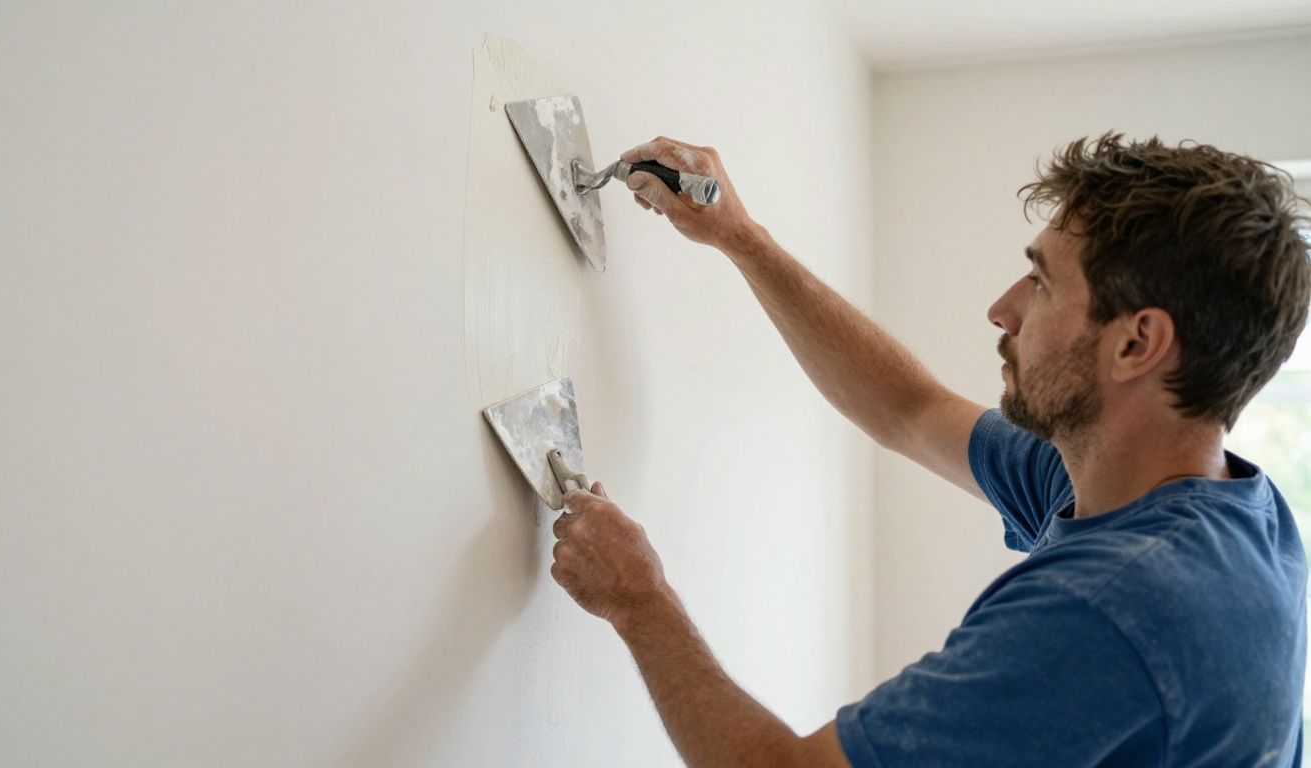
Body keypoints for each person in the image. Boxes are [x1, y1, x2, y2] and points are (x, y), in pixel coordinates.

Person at [549, 133, 1310, 767]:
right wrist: (741, 238)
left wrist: (638, 600)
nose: (1003, 310)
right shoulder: (1205, 502)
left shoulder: (1118, 605)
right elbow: (910, 410)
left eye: (1041, 285)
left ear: (1137, 342)